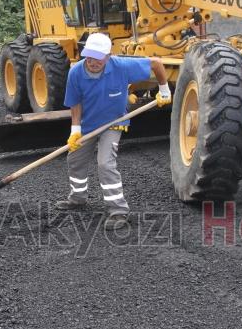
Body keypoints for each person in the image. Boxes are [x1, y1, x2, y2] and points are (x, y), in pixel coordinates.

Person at [56, 32, 172, 230]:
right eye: (89, 57)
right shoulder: (75, 73)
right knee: (74, 159)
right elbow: (74, 103)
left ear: (108, 56)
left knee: (105, 164)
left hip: (113, 123)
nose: (93, 62)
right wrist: (75, 130)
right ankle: (77, 198)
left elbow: (156, 63)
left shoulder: (121, 66)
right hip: (87, 125)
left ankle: (118, 211)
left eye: (98, 58)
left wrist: (164, 90)